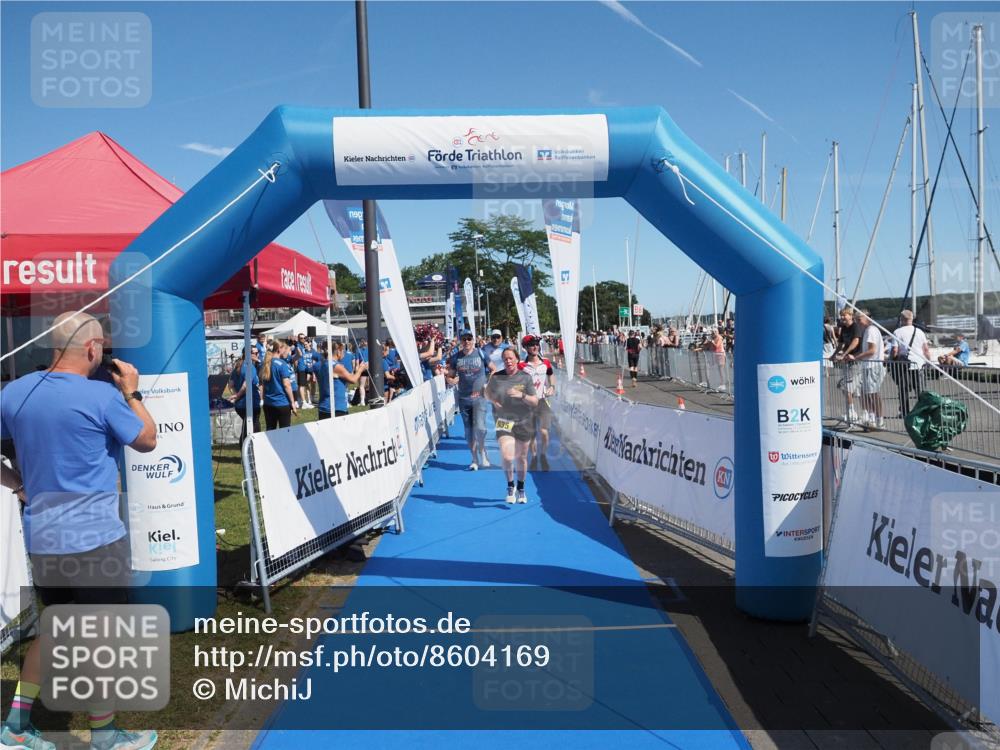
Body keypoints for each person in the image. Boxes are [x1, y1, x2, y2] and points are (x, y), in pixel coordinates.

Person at [0, 311, 158, 750]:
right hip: (96, 542)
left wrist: (19, 485)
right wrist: (133, 391)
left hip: (43, 538)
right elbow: (147, 439)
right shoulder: (102, 396)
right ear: (92, 350)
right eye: (102, 350)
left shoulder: (14, 393)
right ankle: (105, 736)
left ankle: (14, 727)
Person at [486, 348, 539, 504]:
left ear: (517, 359)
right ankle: (510, 486)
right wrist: (493, 401)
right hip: (504, 421)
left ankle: (521, 488)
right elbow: (487, 392)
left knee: (521, 457)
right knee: (508, 455)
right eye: (505, 359)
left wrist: (521, 395)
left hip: (524, 421)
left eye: (510, 358)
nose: (508, 361)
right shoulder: (497, 377)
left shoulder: (525, 378)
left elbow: (535, 401)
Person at [446, 331, 491, 470]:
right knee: (469, 432)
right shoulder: (455, 357)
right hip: (464, 398)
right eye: (464, 339)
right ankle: (474, 459)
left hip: (479, 397)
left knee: (481, 428)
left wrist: (487, 383)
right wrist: (452, 380)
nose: (466, 342)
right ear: (460, 341)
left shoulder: (481, 354)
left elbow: (493, 370)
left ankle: (482, 451)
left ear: (473, 340)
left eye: (469, 339)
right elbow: (450, 377)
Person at [518, 335, 555, 470]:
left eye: (536, 344)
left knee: (544, 431)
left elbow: (551, 375)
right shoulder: (521, 365)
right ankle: (533, 456)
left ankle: (543, 455)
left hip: (542, 401)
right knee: (532, 433)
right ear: (526, 348)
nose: (535, 347)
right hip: (528, 403)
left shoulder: (545, 362)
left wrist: (552, 387)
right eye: (532, 345)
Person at [889, 310, 930, 418]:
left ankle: (905, 411)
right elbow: (926, 349)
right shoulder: (920, 332)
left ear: (901, 319)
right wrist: (929, 361)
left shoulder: (897, 332)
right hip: (919, 364)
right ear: (912, 319)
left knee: (903, 390)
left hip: (904, 365)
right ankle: (923, 411)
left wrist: (891, 360)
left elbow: (894, 350)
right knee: (920, 390)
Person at [317, 342, 367, 419]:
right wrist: (361, 369)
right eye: (343, 351)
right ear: (338, 351)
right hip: (336, 407)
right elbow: (353, 380)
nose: (344, 353)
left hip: (323, 406)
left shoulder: (321, 364)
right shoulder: (336, 366)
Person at [852, 311, 885, 429]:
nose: (857, 322)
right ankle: (872, 418)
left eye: (859, 319)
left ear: (866, 318)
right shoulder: (868, 330)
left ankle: (879, 420)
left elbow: (872, 350)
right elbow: (867, 350)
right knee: (866, 393)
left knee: (873, 393)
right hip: (868, 365)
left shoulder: (871, 330)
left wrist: (855, 357)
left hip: (873, 365)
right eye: (856, 319)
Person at [833, 308, 864, 423]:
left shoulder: (855, 327)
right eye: (841, 316)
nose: (842, 318)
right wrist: (834, 354)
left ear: (850, 316)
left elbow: (855, 341)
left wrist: (845, 354)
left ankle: (853, 412)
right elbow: (841, 344)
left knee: (847, 387)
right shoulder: (844, 328)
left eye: (844, 315)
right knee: (846, 387)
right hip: (847, 361)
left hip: (855, 360)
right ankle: (852, 411)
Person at [229, 346, 262, 445]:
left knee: (248, 427)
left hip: (241, 405)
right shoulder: (249, 366)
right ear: (249, 354)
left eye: (258, 352)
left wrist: (235, 395)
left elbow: (230, 385)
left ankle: (248, 451)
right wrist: (238, 396)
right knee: (252, 430)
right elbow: (246, 384)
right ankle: (248, 452)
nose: (257, 355)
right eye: (255, 353)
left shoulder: (238, 366)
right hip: (250, 403)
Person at [261, 341, 297, 429]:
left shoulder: (265, 364)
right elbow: (287, 385)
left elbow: (262, 385)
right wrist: (292, 402)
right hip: (282, 403)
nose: (285, 350)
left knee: (270, 431)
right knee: (285, 431)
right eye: (283, 348)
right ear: (278, 350)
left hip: (268, 403)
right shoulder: (282, 364)